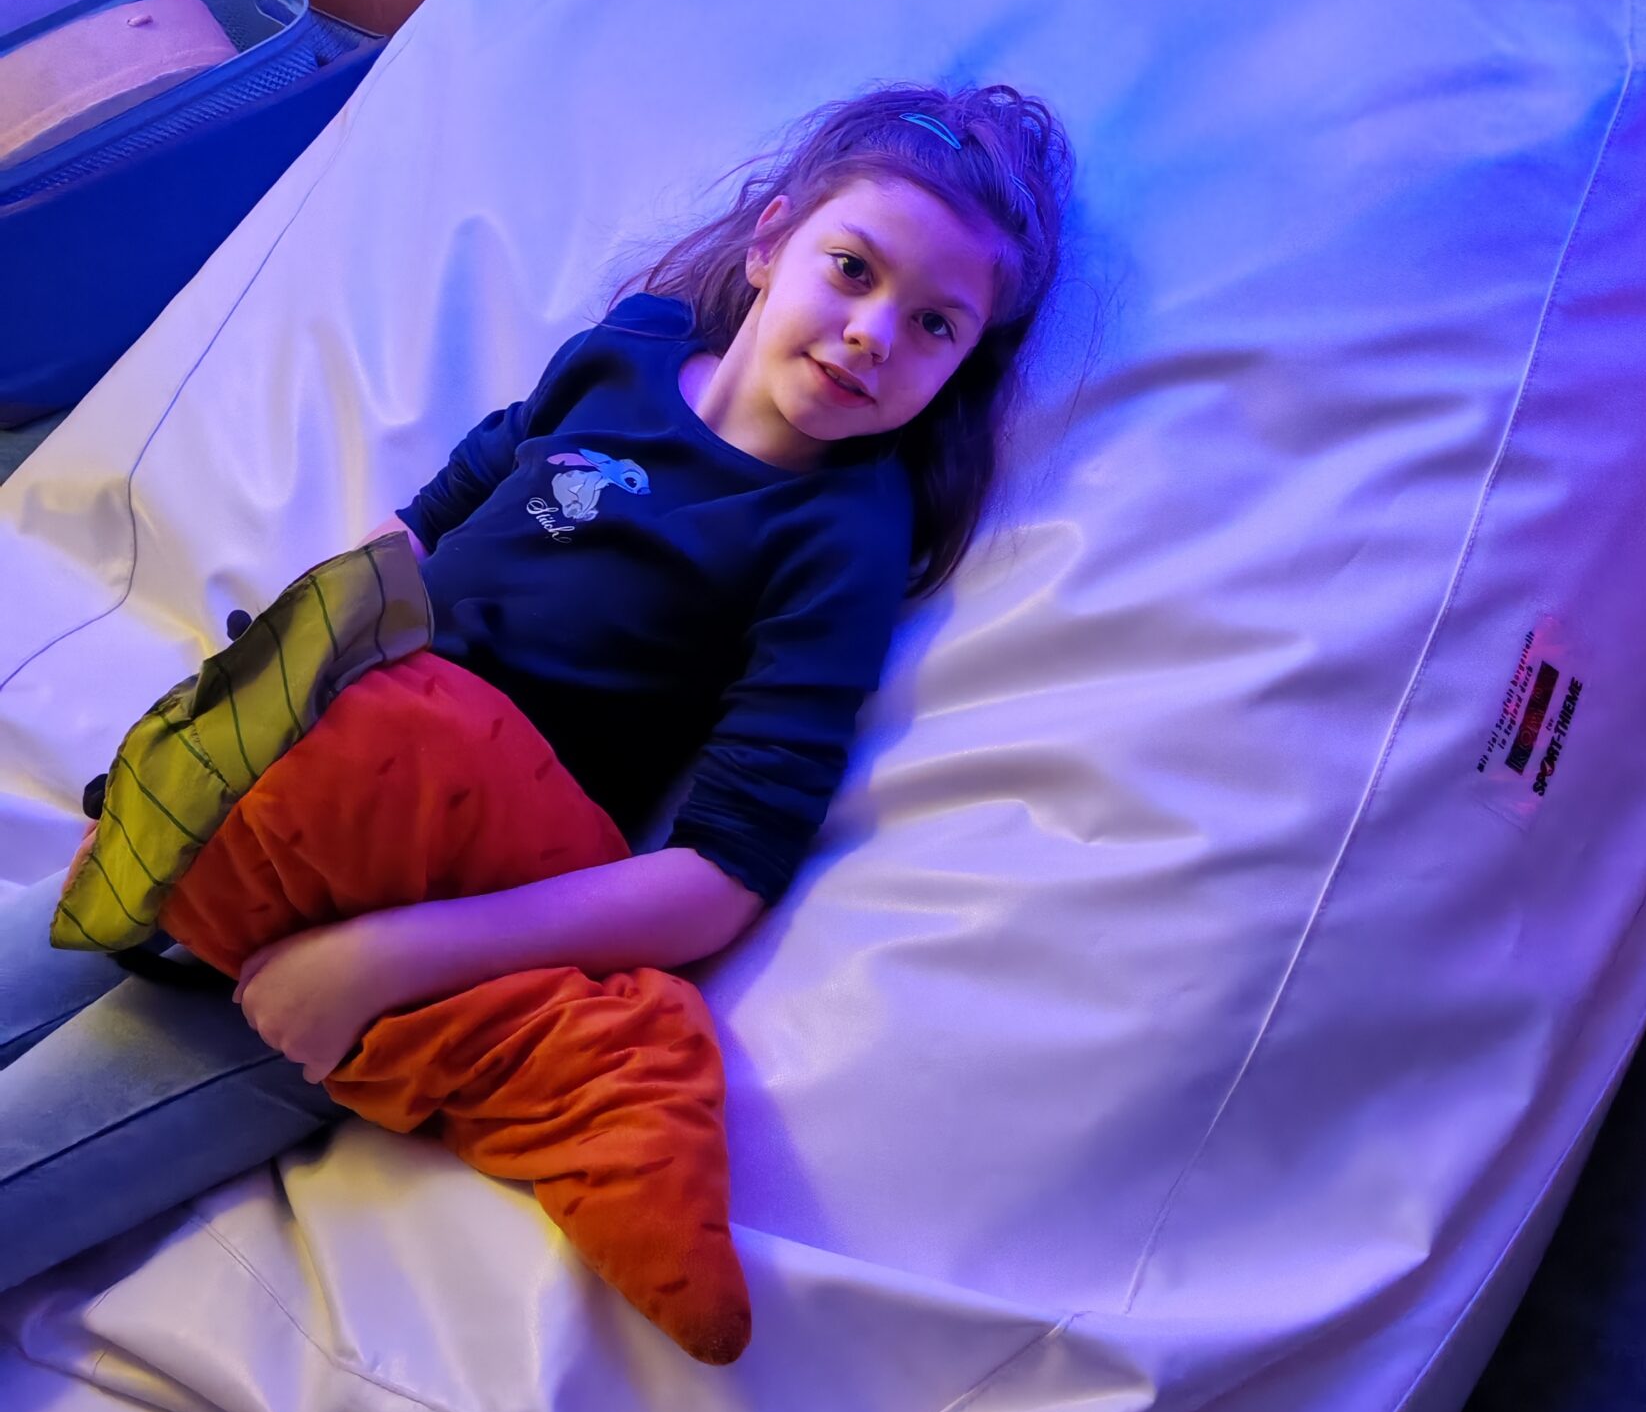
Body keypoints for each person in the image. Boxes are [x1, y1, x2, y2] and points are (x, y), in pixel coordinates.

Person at [0, 81, 1073, 1295]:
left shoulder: (837, 537)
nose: (875, 332)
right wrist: (199, 761)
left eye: (935, 324)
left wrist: (383, 961)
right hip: (268, 803)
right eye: (854, 268)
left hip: (412, 915)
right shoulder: (630, 353)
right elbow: (413, 532)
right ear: (772, 241)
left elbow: (723, 875)